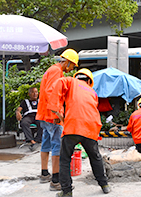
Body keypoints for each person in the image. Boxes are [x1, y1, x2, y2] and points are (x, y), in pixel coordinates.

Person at [48, 68, 111, 197]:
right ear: (89, 80)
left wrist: (55, 109)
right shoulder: (92, 92)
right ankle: (104, 185)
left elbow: (58, 83)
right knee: (95, 157)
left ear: (78, 77)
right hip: (91, 128)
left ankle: (67, 192)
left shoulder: (71, 81)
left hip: (74, 127)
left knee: (65, 159)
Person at [35, 49, 78, 191]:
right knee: (57, 146)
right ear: (67, 62)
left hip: (44, 114)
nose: (72, 69)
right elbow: (51, 93)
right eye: (72, 66)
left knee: (46, 143)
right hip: (51, 116)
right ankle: (55, 180)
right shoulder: (56, 72)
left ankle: (44, 173)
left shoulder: (51, 70)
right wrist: (58, 115)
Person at [16, 87, 42, 151]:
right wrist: (17, 112)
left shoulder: (40, 101)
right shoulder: (25, 102)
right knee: (24, 123)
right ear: (29, 94)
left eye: (36, 92)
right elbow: (19, 109)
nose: (35, 94)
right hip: (28, 116)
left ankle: (37, 140)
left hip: (38, 116)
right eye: (33, 92)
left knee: (43, 123)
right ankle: (31, 141)